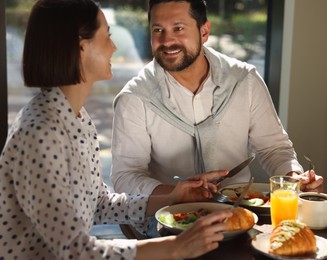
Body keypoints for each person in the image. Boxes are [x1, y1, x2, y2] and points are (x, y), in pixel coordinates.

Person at [0, 0, 234, 259]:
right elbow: (73, 251)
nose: (114, 47)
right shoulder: (41, 133)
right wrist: (174, 247)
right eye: (107, 36)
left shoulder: (75, 118)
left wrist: (173, 196)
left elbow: (98, 204)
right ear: (81, 47)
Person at [111, 0, 324, 197]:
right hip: (170, 216)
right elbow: (126, 175)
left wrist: (294, 178)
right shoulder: (135, 98)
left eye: (178, 28)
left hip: (241, 209)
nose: (167, 41)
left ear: (204, 32)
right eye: (158, 30)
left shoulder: (244, 81)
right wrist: (177, 193)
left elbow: (273, 148)